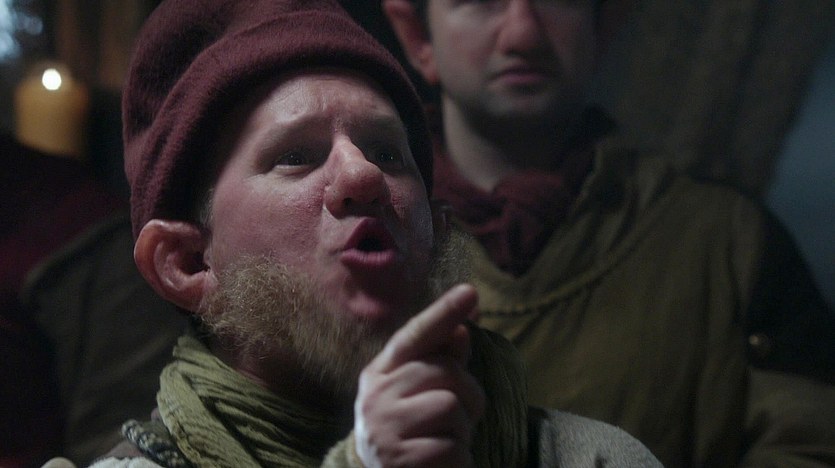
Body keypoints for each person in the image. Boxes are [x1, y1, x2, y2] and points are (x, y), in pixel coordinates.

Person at [51, 0, 662, 466]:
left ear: (436, 232)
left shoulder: (592, 459)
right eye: (296, 156)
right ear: (187, 262)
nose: (363, 174)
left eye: (388, 152)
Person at [381, 0, 835, 466]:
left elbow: (809, 445)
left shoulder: (728, 243)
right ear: (417, 35)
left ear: (606, 23)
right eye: (481, 2)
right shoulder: (367, 237)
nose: (522, 35)